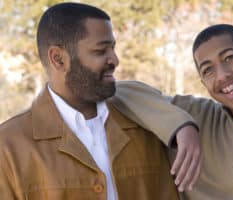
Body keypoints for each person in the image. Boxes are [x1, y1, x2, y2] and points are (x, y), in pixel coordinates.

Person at [0, 2, 201, 199]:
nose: (115, 60)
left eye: (113, 48)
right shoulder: (8, 147)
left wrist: (184, 126)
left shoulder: (143, 126)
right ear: (58, 59)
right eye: (100, 51)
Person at [115, 24, 233, 200]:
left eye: (230, 58)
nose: (221, 75)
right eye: (208, 69)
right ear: (203, 82)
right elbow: (119, 92)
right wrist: (182, 125)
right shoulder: (197, 115)